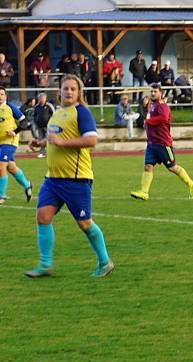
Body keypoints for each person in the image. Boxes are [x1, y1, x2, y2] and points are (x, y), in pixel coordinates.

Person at [25, 75, 113, 279]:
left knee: (85, 223)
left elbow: (91, 140)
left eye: (73, 89)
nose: (69, 92)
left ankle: (104, 262)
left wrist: (62, 143)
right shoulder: (57, 113)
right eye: (66, 88)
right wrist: (41, 143)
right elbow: (55, 138)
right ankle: (45, 264)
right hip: (53, 179)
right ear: (59, 91)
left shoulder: (82, 113)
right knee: (42, 216)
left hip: (76, 179)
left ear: (79, 93)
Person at [129, 83, 193, 202]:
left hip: (163, 143)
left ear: (160, 93)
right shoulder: (152, 105)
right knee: (148, 166)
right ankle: (144, 192)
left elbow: (164, 118)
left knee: (172, 167)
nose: (153, 93)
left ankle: (191, 184)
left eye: (155, 91)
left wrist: (148, 121)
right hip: (152, 144)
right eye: (151, 91)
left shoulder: (162, 106)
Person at [0, 87, 33, 205]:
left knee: (1, 166)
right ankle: (27, 185)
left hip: (9, 142)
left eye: (2, 94)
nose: (0, 96)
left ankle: (1, 196)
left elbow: (25, 122)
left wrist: (15, 131)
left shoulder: (10, 108)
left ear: (5, 96)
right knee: (11, 167)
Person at [31, 92, 54, 157]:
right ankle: (42, 152)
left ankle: (50, 152)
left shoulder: (49, 105)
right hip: (40, 126)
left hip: (48, 126)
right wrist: (36, 123)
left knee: (49, 139)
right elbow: (34, 116)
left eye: (43, 98)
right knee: (41, 139)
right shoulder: (36, 107)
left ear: (45, 98)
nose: (41, 99)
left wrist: (51, 123)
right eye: (40, 98)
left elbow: (54, 115)